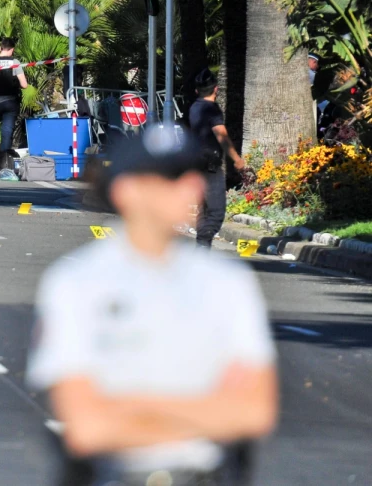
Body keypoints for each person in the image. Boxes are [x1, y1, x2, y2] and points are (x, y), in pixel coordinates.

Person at [28, 127, 278, 486]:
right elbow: (86, 426)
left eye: (193, 174)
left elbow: (254, 412)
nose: (192, 187)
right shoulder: (77, 282)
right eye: (171, 177)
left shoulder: (228, 282)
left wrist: (132, 408)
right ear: (126, 191)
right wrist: (205, 410)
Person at [188, 69, 246, 248]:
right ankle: (202, 245)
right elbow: (221, 135)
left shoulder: (194, 107)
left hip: (196, 163)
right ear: (216, 89)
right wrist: (237, 159)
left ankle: (201, 250)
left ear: (197, 91)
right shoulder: (211, 109)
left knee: (203, 211)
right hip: (210, 165)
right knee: (216, 212)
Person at [0, 37, 28, 150]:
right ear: (12, 50)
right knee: (7, 130)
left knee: (5, 127)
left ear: (0, 48)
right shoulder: (14, 62)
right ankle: (4, 157)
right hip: (10, 103)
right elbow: (24, 85)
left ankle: (1, 149)